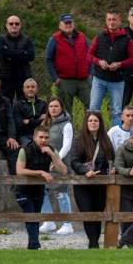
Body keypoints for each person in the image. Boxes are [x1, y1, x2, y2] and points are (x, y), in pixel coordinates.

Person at [15, 125, 68, 250]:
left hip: (39, 191)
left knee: (36, 218)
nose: (43, 140)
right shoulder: (25, 149)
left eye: (46, 137)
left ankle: (32, 246)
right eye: (41, 137)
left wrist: (52, 155)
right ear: (34, 137)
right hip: (23, 190)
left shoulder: (51, 150)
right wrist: (41, 172)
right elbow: (19, 171)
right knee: (31, 217)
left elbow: (63, 171)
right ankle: (35, 245)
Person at [69, 110, 115, 249]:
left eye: (95, 120)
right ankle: (94, 243)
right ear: (86, 123)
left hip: (100, 184)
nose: (93, 123)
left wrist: (112, 169)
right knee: (87, 213)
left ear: (100, 123)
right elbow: (74, 161)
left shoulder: (105, 140)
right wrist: (86, 172)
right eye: (90, 121)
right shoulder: (78, 140)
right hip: (83, 184)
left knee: (98, 214)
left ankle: (93, 243)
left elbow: (110, 160)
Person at [88, 10, 133, 118]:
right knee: (93, 108)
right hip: (99, 78)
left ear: (119, 21)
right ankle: (92, 129)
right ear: (106, 21)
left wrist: (119, 64)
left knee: (117, 111)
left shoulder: (127, 39)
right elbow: (89, 55)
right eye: (109, 19)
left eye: (114, 19)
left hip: (117, 80)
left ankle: (115, 130)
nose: (111, 22)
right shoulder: (100, 36)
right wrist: (99, 62)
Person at [39, 97, 75, 235]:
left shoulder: (67, 124)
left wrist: (56, 159)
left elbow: (67, 145)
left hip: (61, 163)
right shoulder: (45, 123)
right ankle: (48, 221)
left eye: (56, 106)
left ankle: (67, 223)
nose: (53, 109)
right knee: (42, 190)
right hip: (45, 163)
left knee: (60, 192)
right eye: (51, 106)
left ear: (61, 108)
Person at [45, 14, 91, 115]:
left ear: (73, 24)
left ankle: (90, 125)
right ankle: (67, 126)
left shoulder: (82, 37)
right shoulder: (54, 39)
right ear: (60, 26)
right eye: (65, 23)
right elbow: (48, 60)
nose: (68, 25)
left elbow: (90, 55)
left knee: (92, 106)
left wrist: (91, 73)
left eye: (70, 23)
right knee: (65, 110)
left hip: (83, 79)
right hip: (65, 80)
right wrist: (55, 78)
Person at [0, 15, 34, 101]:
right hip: (6, 80)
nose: (14, 25)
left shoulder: (27, 40)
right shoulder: (1, 39)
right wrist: (22, 52)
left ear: (20, 25)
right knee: (5, 104)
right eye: (11, 23)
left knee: (24, 104)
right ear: (6, 25)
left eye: (17, 24)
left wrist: (11, 57)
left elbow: (31, 56)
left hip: (23, 79)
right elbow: (2, 52)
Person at [13, 79, 48, 146]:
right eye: (28, 87)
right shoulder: (18, 105)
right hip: (24, 135)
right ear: (24, 90)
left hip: (41, 134)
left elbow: (45, 123)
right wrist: (38, 121)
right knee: (30, 147)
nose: (30, 89)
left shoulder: (43, 104)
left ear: (37, 89)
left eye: (32, 87)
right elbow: (19, 126)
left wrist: (29, 121)